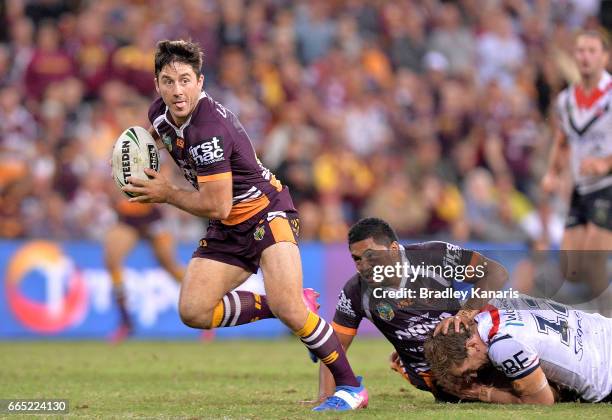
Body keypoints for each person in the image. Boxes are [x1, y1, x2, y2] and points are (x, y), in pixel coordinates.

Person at [122, 40, 367, 411]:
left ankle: (351, 388)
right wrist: (134, 156)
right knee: (193, 311)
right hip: (228, 225)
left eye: (185, 80)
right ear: (157, 84)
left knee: (291, 309)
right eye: (168, 81)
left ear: (200, 82)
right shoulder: (159, 114)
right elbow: (159, 139)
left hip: (268, 213)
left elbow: (216, 204)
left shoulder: (208, 129)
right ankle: (283, 305)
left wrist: (165, 192)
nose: (177, 90)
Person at [314, 217, 509, 403]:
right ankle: (410, 370)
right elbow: (334, 347)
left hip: (475, 357)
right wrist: (325, 396)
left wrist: (465, 314)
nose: (364, 266)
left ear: (393, 249)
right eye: (357, 259)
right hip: (435, 379)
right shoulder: (355, 292)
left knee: (525, 382)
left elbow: (495, 272)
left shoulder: (434, 256)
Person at [424, 296, 612, 404]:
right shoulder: (496, 304)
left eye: (467, 371)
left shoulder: (503, 346)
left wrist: (482, 393)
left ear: (472, 346)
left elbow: (542, 401)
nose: (472, 376)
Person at [541, 29, 612, 315]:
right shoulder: (566, 101)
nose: (585, 57)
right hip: (581, 189)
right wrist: (552, 172)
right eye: (581, 51)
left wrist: (604, 163)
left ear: (605, 57)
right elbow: (562, 140)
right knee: (571, 268)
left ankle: (606, 321)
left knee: (595, 255)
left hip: (607, 184)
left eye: (592, 51)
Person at [103, 200, 184, 342]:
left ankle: (206, 304)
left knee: (170, 266)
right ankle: (125, 321)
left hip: (153, 216)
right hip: (129, 219)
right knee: (112, 260)